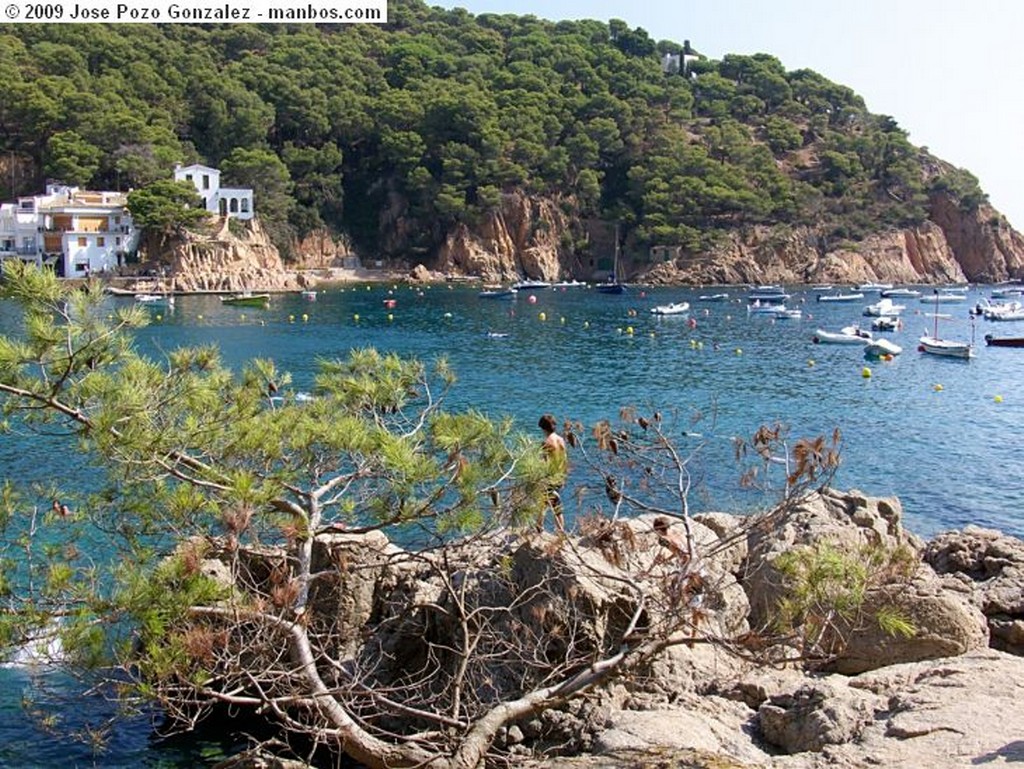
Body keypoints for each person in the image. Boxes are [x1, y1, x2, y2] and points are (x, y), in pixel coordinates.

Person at [537, 414, 567, 532]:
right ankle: (541, 526)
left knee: (549, 504)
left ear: (543, 428)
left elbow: (543, 463)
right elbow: (564, 460)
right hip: (559, 476)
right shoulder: (561, 440)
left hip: (549, 477)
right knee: (551, 503)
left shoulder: (546, 442)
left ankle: (543, 528)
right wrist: (563, 476)